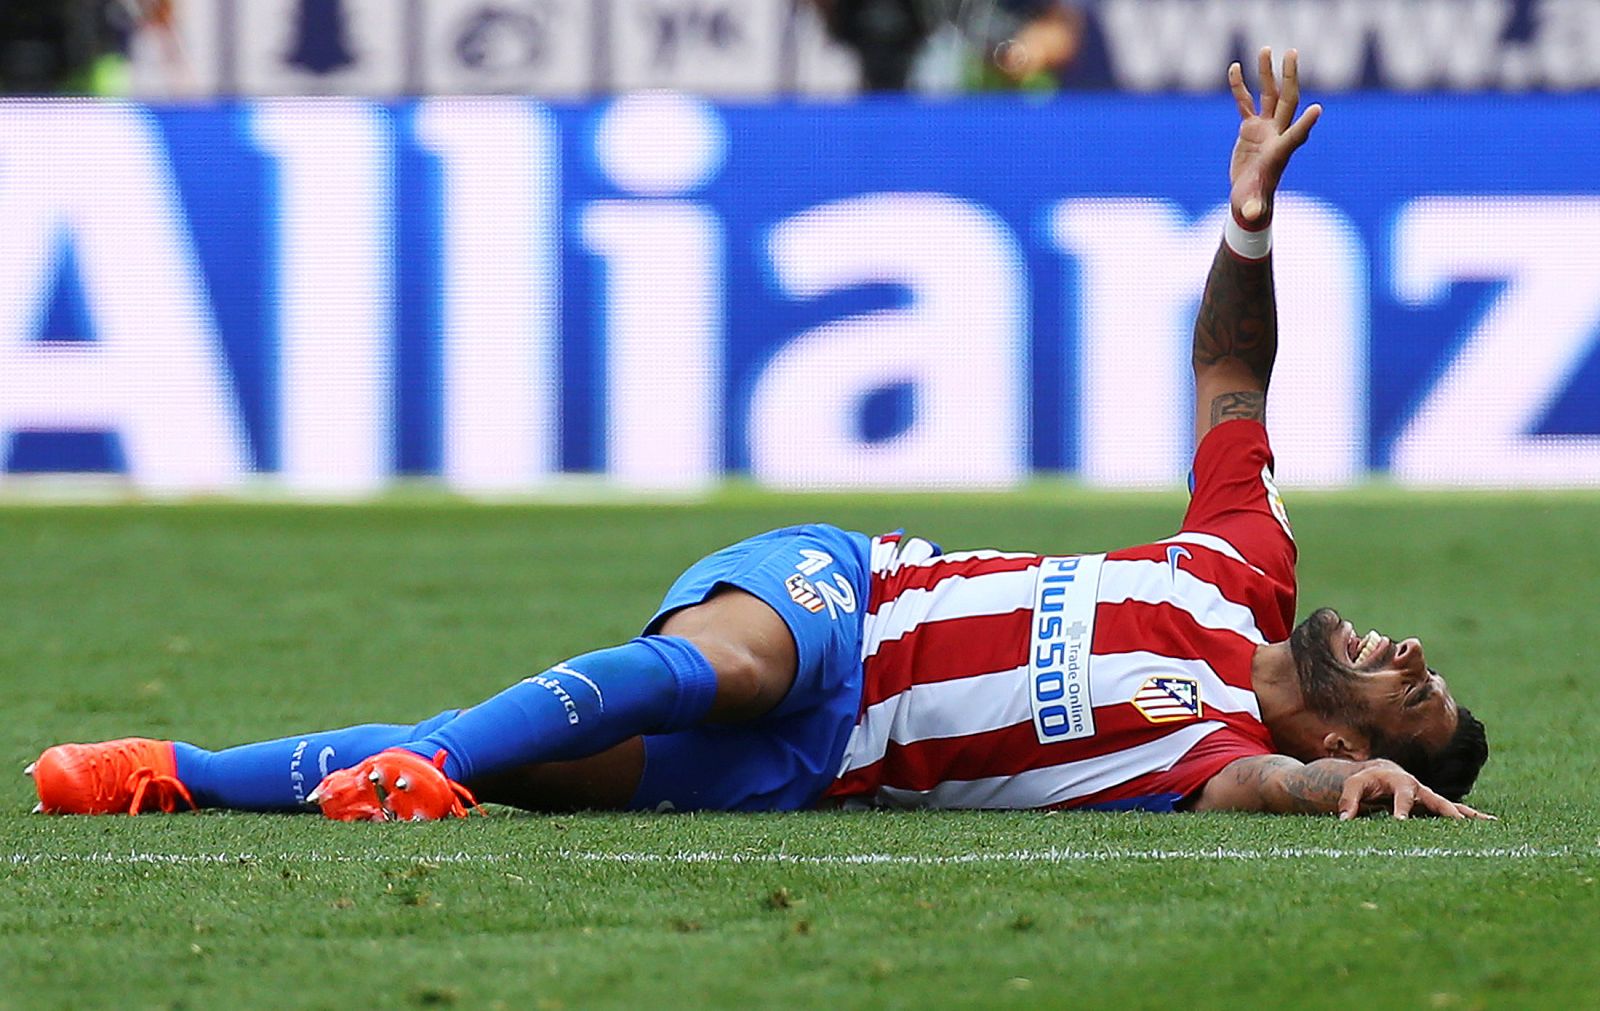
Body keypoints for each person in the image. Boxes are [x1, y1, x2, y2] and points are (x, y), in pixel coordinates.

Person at [27, 50, 1490, 824]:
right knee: (713, 669)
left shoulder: (1215, 754)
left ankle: (170, 766)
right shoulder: (1243, 566)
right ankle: (422, 773)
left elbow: (1278, 789)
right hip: (847, 596)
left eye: (1412, 699)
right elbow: (1232, 369)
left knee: (520, 767)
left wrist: (1347, 792)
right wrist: (1249, 218)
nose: (1410, 652)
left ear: (1349, 737)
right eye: (1421, 675)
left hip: (825, 764)